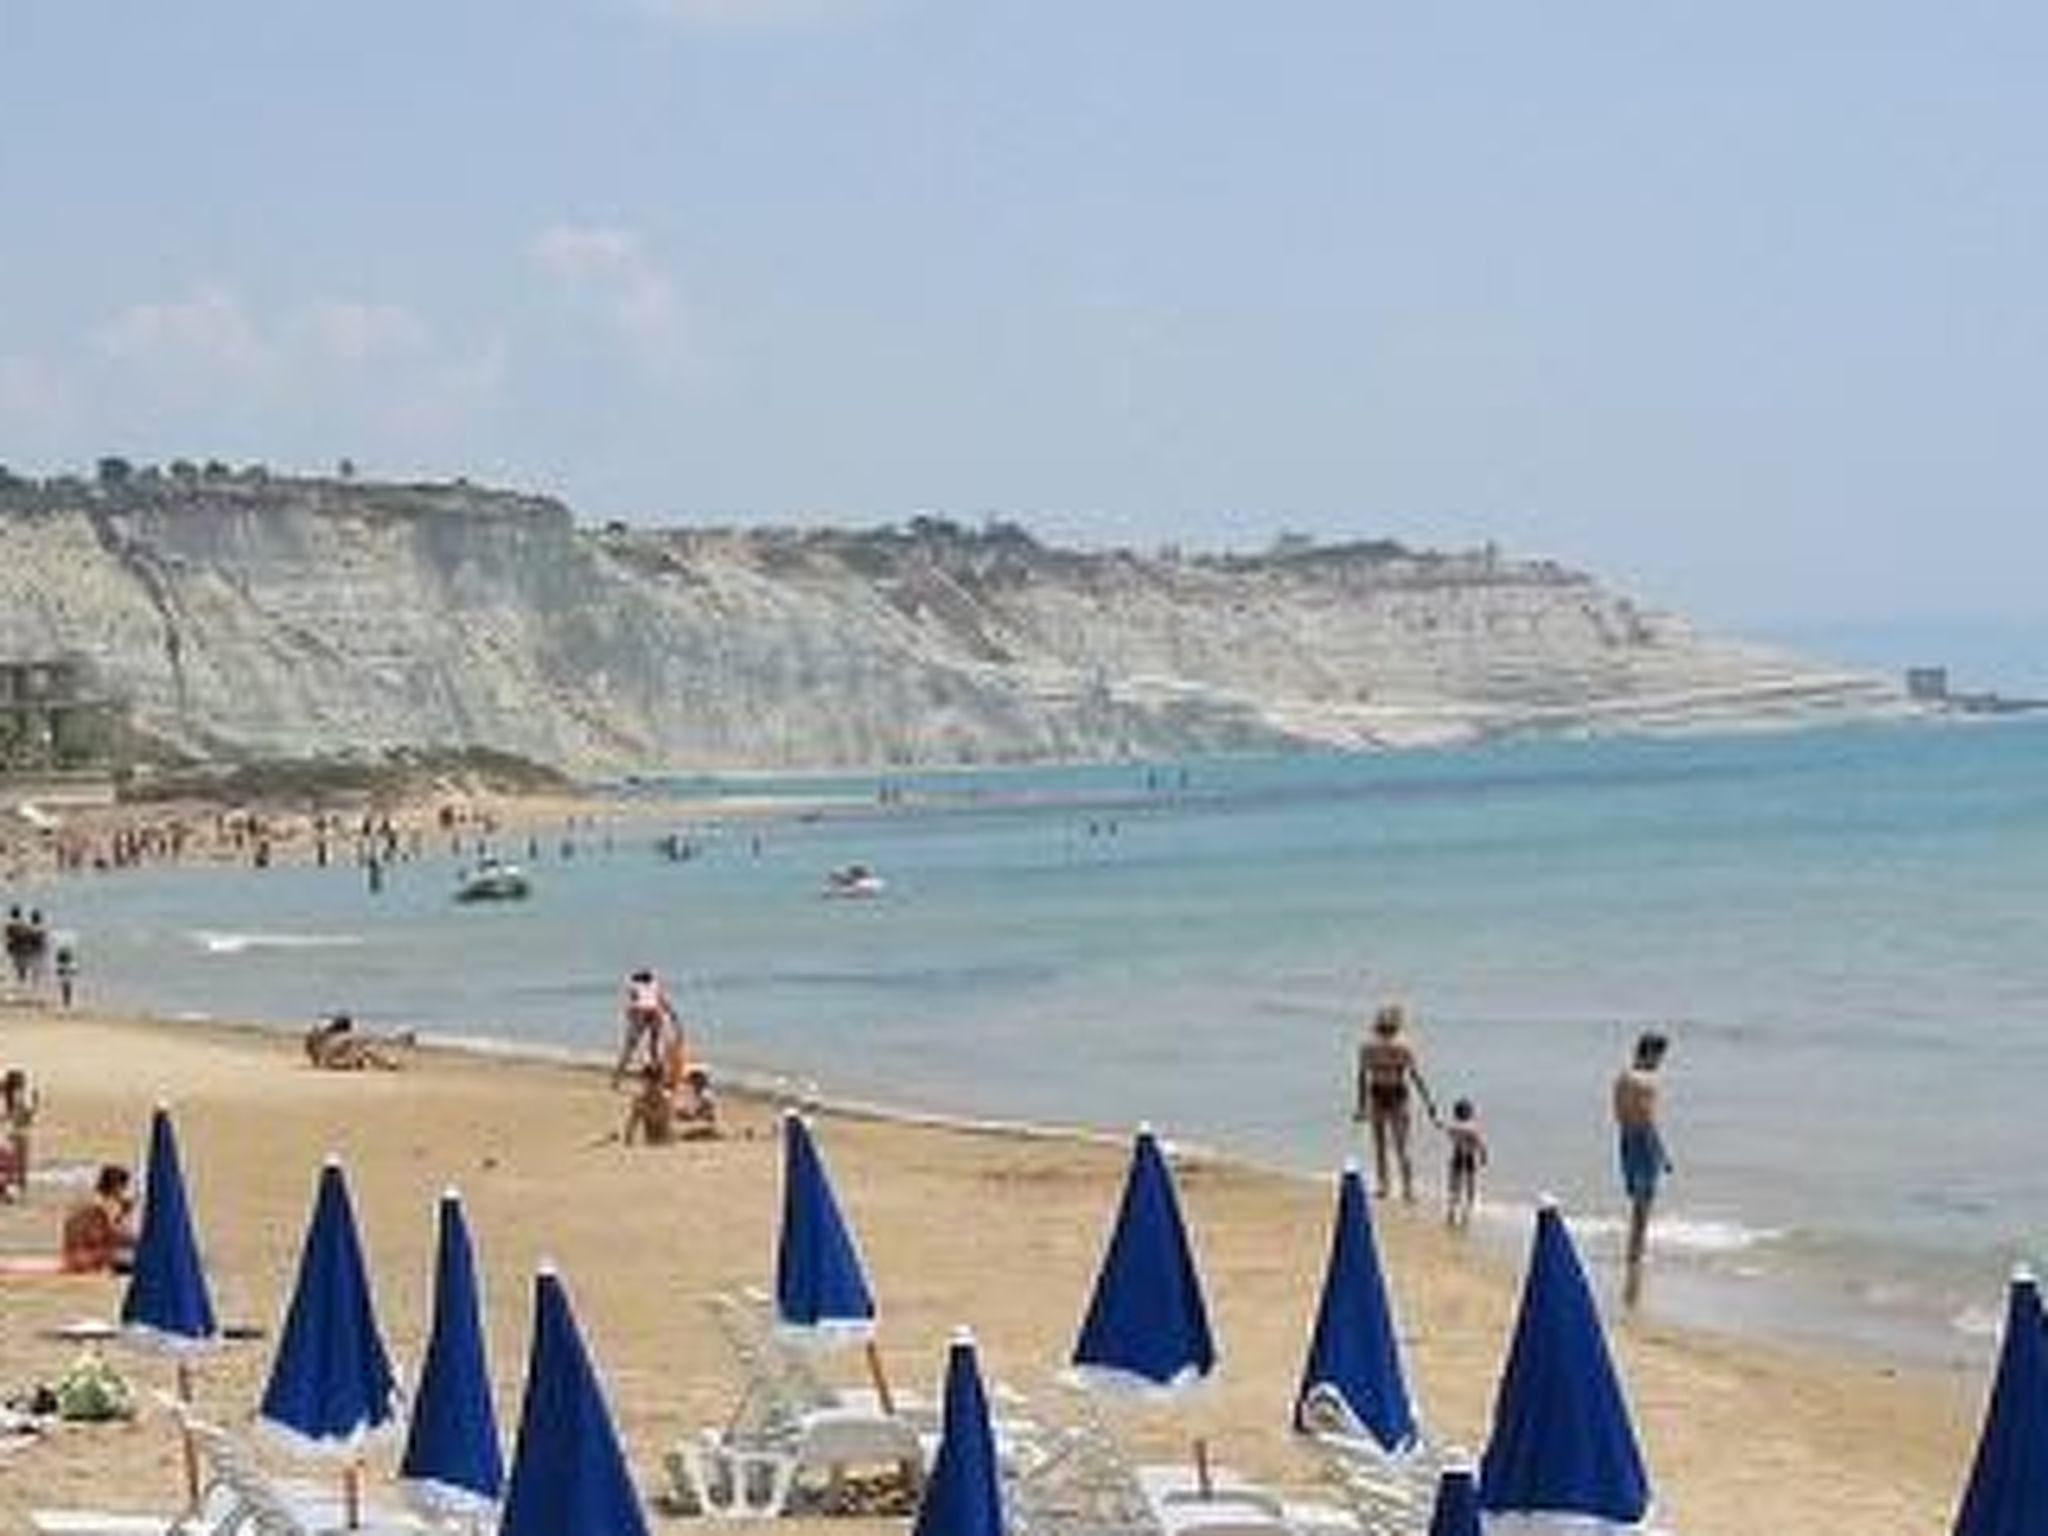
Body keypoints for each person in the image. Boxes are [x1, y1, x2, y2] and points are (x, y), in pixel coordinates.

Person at [1614, 1030, 1674, 1306]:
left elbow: (1617, 1113)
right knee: (1644, 1206)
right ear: (1651, 1053)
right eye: (1660, 1055)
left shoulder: (1622, 1077)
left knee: (1635, 1202)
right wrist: (1662, 1155)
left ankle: (1632, 1253)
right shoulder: (1648, 1082)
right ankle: (1635, 1257)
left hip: (1625, 1139)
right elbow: (1649, 1120)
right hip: (1643, 1142)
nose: (1661, 1062)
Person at [1353, 1003, 1437, 1202]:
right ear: (1397, 1025)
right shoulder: (1403, 1047)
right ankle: (1408, 1190)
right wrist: (1428, 1102)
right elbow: (1415, 1076)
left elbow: (1362, 1077)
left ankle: (1384, 1187)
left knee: (1380, 1144)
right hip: (1397, 1094)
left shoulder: (1367, 1047)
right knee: (1402, 1145)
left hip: (1377, 1093)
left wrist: (1360, 1106)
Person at [61, 1164, 137, 1274]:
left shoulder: (105, 1213)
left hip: (85, 1264)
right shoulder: (94, 1215)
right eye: (123, 1190)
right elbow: (117, 1238)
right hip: (86, 1268)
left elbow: (126, 1239)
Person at [614, 969, 681, 1089]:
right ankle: (661, 1077)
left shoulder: (633, 984)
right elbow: (663, 1000)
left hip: (642, 1012)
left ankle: (618, 1079)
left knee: (630, 1048)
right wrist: (672, 1016)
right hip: (654, 1012)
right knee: (654, 1048)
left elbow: (633, 1002)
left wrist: (630, 1016)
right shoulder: (653, 984)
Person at [303, 1013, 407, 1071]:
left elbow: (313, 1052)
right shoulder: (341, 1038)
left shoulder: (322, 1037)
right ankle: (388, 1062)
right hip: (336, 1055)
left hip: (331, 1055)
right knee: (366, 1050)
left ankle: (387, 1061)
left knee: (365, 1050)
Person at [1443, 1098, 1487, 1230]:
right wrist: (1484, 1156)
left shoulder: (1453, 1127)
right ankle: (1466, 1214)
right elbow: (1480, 1144)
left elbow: (1447, 1132)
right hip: (1469, 1159)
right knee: (1470, 1187)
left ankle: (1451, 1212)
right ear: (1469, 1113)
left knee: (1454, 1187)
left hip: (1456, 1158)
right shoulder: (1472, 1128)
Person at [1, 1067, 38, 1200]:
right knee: (16, 1164)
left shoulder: (12, 1098)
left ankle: (13, 1188)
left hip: (12, 1133)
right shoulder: (15, 1099)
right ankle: (15, 1189)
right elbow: (23, 1117)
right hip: (15, 1134)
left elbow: (22, 1117)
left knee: (13, 1165)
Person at [622, 1061, 677, 1145]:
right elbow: (629, 1130)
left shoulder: (665, 1101)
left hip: (663, 1141)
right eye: (649, 1081)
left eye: (656, 1081)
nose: (652, 1085)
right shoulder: (640, 1101)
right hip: (654, 1141)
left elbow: (669, 1127)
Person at [676, 1065, 720, 1140]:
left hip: (701, 1126)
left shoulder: (707, 1095)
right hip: (691, 1125)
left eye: (697, 1078)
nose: (695, 1081)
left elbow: (710, 1115)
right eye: (694, 1078)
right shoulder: (688, 1094)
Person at [53, 945, 76, 1009]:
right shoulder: (70, 964)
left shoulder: (61, 965)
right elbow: (74, 971)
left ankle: (66, 1003)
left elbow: (58, 972)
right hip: (67, 979)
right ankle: (67, 1003)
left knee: (65, 991)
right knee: (67, 991)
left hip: (64, 979)